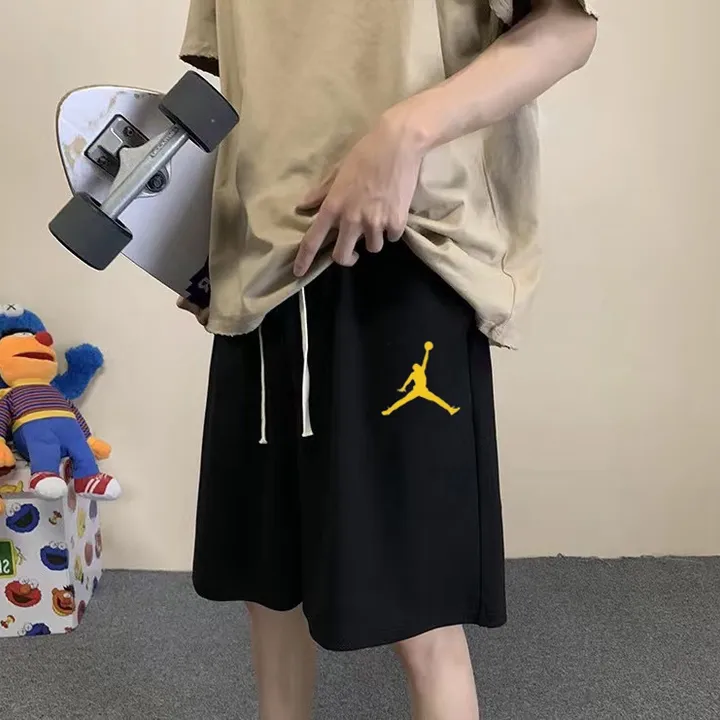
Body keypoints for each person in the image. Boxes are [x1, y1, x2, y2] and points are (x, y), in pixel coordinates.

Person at [177, 1, 598, 717]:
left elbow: (566, 28)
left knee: (420, 612)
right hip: (263, 265)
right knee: (267, 584)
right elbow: (251, 89)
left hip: (405, 244)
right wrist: (201, 239)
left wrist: (406, 130)